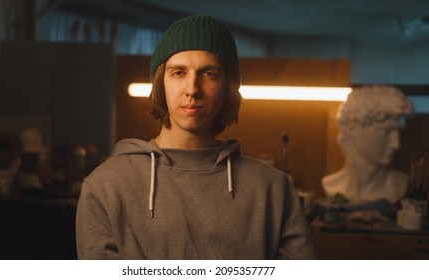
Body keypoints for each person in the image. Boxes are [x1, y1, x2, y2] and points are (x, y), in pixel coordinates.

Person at [76, 14, 316, 260]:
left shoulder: (273, 189)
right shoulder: (106, 186)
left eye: (209, 73)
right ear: (161, 83)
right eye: (178, 72)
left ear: (228, 87)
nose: (192, 89)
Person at [322, 85, 414, 204]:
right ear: (354, 130)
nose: (396, 144)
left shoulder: (400, 186)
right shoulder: (331, 184)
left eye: (399, 133)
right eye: (385, 132)